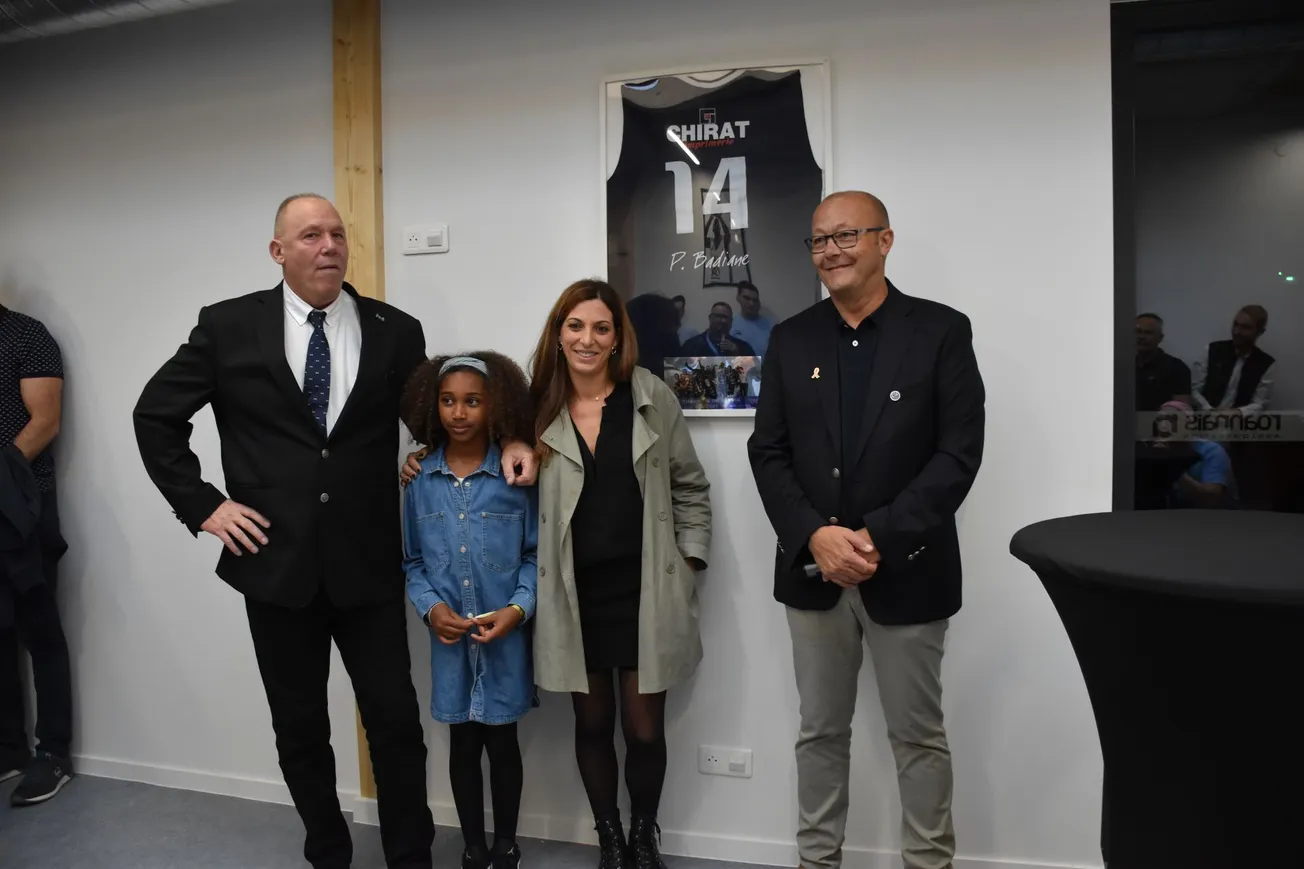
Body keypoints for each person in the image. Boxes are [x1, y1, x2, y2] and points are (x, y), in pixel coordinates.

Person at [132, 193, 536, 869]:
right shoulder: (229, 326)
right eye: (311, 234)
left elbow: (446, 413)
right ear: (278, 250)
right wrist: (205, 505)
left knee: (396, 724)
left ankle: (412, 855)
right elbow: (156, 416)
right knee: (299, 727)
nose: (329, 246)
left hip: (368, 563)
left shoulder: (395, 331)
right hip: (273, 561)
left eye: (338, 234)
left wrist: (514, 436)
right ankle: (328, 850)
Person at [747, 191, 985, 869]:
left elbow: (957, 455)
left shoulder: (940, 331)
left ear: (885, 240)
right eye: (819, 240)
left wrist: (876, 535)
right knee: (819, 733)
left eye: (847, 235)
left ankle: (928, 863)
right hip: (813, 573)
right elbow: (769, 451)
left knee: (918, 737)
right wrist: (816, 535)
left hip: (908, 568)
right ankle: (817, 862)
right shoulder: (792, 339)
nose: (831, 250)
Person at [530, 278, 711, 869]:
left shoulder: (650, 396)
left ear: (617, 338)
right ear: (559, 335)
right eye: (576, 326)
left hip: (644, 591)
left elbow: (690, 487)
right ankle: (608, 839)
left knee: (644, 731)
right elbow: (462, 439)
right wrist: (413, 460)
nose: (588, 338)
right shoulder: (533, 408)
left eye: (601, 328)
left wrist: (687, 563)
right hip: (573, 595)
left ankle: (643, 835)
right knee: (592, 722)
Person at [401, 352, 537, 869]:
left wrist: (518, 610)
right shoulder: (418, 482)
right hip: (449, 644)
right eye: (449, 401)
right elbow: (412, 561)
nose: (459, 413)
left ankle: (506, 843)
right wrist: (431, 609)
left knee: (503, 745)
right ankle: (473, 847)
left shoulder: (515, 475)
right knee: (461, 745)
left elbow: (534, 556)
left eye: (473, 401)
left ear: (494, 405)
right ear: (433, 407)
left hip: (505, 640)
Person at [0, 302, 74, 807]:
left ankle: (53, 755)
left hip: (21, 504)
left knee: (38, 628)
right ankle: (8, 750)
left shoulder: (26, 335)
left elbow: (44, 421)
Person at [1192, 304, 1274, 413]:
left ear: (1260, 332)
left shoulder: (1266, 363)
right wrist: (1210, 411)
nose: (1236, 331)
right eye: (1235, 324)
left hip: (1241, 426)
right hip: (1205, 421)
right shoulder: (1211, 350)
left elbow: (1260, 403)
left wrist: (1238, 413)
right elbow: (1194, 390)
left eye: (1245, 327)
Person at [679, 302, 757, 357]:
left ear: (731, 321)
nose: (722, 321)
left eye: (726, 317)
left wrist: (737, 354)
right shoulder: (692, 345)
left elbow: (754, 374)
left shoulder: (743, 347)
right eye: (718, 316)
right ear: (710, 318)